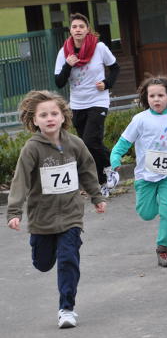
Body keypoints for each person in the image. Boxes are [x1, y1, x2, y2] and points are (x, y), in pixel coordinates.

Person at [6, 90, 107, 329]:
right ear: (34, 121)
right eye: (43, 115)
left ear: (63, 117)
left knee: (68, 259)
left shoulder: (75, 144)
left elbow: (87, 171)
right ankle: (43, 253)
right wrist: (14, 212)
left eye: (54, 113)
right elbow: (20, 180)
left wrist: (96, 196)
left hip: (71, 215)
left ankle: (67, 308)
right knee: (43, 263)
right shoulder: (32, 149)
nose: (50, 118)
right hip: (42, 218)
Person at [110, 76, 167, 267]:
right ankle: (158, 207)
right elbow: (124, 142)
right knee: (146, 213)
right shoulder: (140, 119)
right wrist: (115, 158)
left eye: (160, 95)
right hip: (145, 175)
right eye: (152, 96)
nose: (156, 99)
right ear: (146, 98)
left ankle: (163, 250)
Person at [55, 13, 120, 197]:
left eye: (81, 26)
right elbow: (59, 82)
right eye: (74, 26)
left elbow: (115, 67)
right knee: (86, 146)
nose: (78, 30)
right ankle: (101, 183)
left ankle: (110, 167)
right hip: (77, 104)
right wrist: (68, 65)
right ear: (70, 30)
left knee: (91, 141)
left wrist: (107, 84)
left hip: (98, 101)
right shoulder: (64, 52)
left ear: (87, 30)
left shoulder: (99, 48)